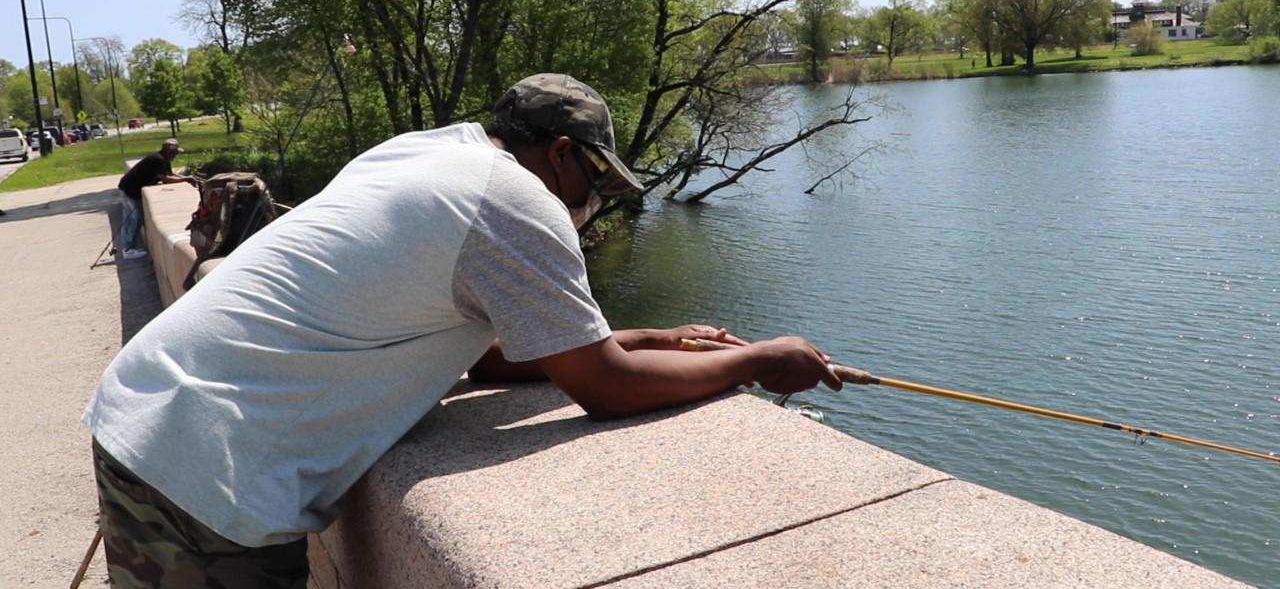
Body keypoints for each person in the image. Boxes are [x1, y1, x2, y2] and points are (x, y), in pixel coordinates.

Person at [83, 73, 841, 588]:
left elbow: (494, 360)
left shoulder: (428, 153)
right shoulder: (516, 201)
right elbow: (604, 390)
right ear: (561, 154)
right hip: (210, 473)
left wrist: (654, 336)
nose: (595, 204)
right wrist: (757, 360)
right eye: (596, 183)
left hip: (146, 413)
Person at [114, 138, 197, 259]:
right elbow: (165, 179)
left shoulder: (164, 159)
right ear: (169, 151)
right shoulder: (157, 159)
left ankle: (131, 247)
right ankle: (128, 249)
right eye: (175, 153)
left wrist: (186, 177)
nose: (176, 155)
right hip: (129, 190)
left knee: (135, 218)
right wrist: (186, 180)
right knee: (133, 219)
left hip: (134, 190)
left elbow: (170, 174)